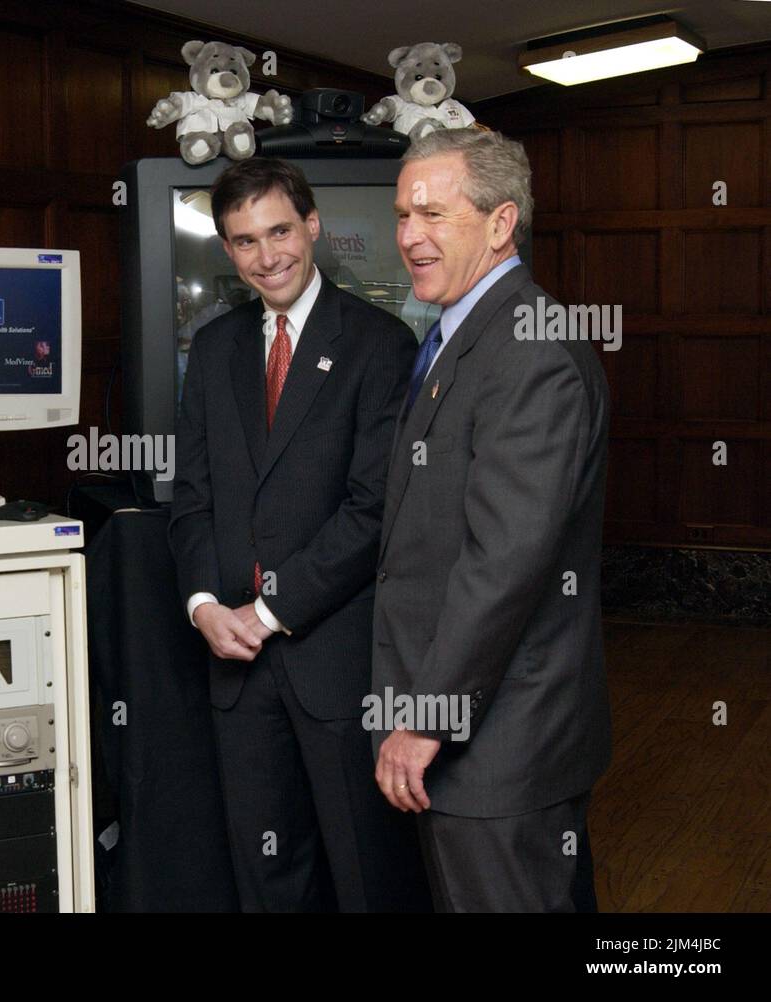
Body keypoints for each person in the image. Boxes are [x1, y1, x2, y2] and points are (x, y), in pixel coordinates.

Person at [169, 157, 428, 911]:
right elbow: (191, 498)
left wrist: (272, 610)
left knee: (366, 873)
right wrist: (203, 606)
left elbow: (374, 508)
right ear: (228, 250)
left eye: (280, 231)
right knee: (266, 877)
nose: (268, 255)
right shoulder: (214, 350)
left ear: (312, 227)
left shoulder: (380, 345)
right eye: (245, 241)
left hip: (335, 663)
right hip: (235, 665)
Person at [372, 128, 611, 912]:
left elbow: (504, 562)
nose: (410, 235)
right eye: (404, 214)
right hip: (474, 743)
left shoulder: (532, 347)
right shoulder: (465, 332)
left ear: (502, 223)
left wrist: (425, 713)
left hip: (501, 744)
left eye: (434, 214)